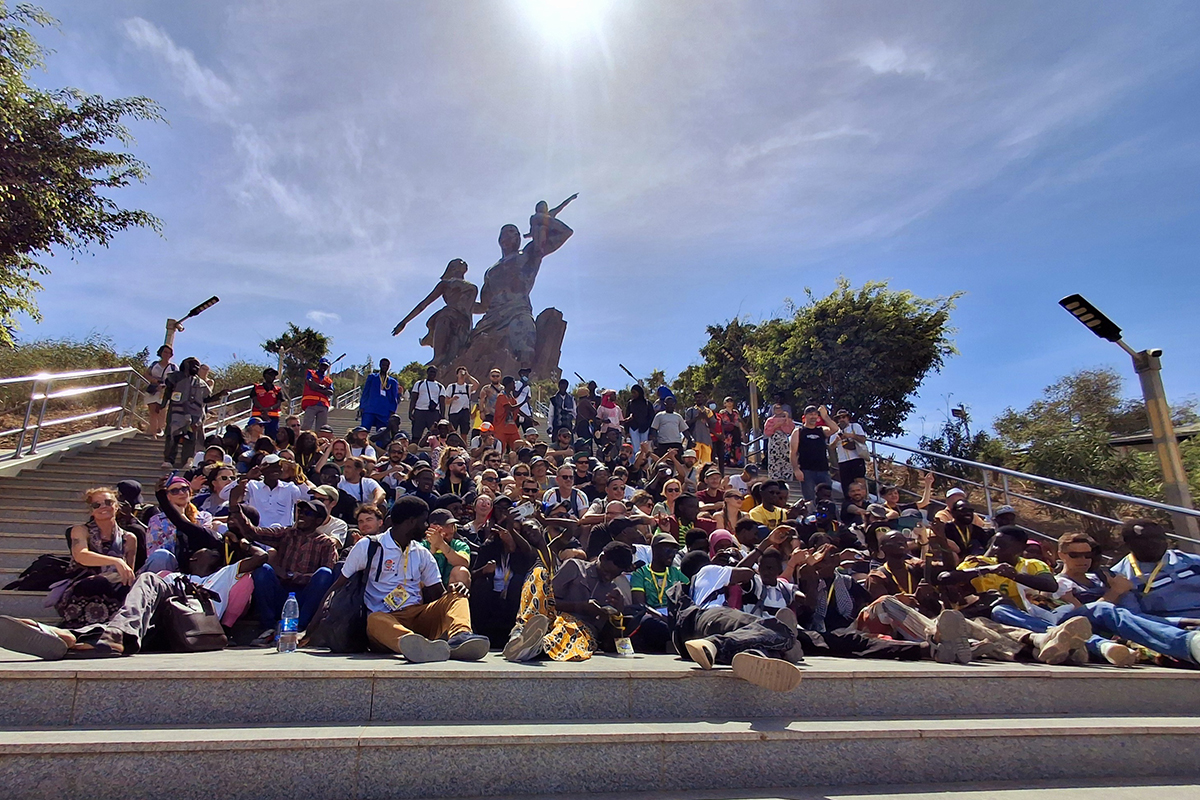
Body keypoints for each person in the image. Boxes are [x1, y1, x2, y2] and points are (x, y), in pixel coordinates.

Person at [0, 543, 269, 659]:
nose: (215, 553)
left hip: (194, 622)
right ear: (193, 558)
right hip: (158, 628)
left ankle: (92, 634)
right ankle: (69, 637)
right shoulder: (171, 575)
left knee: (149, 580)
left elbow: (262, 556)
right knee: (150, 585)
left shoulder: (223, 574)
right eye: (208, 551)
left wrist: (241, 541)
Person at [330, 496, 490, 662]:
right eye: (424, 521)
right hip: (386, 620)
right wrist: (316, 627)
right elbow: (338, 585)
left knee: (458, 595)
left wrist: (452, 594)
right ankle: (414, 645)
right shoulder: (368, 546)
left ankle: (460, 638)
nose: (426, 526)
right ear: (411, 522)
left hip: (417, 615)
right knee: (374, 620)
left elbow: (438, 594)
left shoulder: (422, 552)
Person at [229, 479, 338, 642]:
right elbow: (253, 533)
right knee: (263, 570)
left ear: (318, 521)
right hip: (281, 591)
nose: (301, 515)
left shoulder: (326, 543)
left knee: (324, 573)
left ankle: (300, 627)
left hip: (305, 596)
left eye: (308, 514)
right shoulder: (286, 533)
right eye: (300, 511)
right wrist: (235, 507)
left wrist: (294, 576)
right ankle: (268, 627)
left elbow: (326, 577)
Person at [52, 487, 140, 628]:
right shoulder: (81, 530)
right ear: (91, 510)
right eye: (96, 505)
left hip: (114, 588)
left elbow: (128, 573)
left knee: (126, 587)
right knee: (98, 582)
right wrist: (116, 561)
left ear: (117, 506)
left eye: (108, 502)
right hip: (84, 585)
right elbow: (81, 555)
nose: (103, 507)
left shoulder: (129, 538)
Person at [392, 258, 478, 368]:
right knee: (441, 357)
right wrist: (404, 322)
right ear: (452, 268)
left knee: (455, 356)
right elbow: (424, 304)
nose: (464, 262)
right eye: (460, 262)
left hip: (465, 322)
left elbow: (476, 307)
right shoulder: (446, 284)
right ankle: (437, 356)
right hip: (449, 316)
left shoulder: (472, 286)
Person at [628, 532, 689, 652]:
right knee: (648, 622)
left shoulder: (676, 573)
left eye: (674, 550)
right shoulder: (641, 574)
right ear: (654, 549)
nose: (672, 554)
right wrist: (662, 617)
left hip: (674, 616)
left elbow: (689, 595)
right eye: (667, 550)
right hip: (654, 615)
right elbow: (640, 605)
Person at [162, 357, 218, 469]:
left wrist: (220, 395)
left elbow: (206, 399)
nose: (195, 367)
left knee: (190, 437)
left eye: (197, 365)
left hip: (194, 415)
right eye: (192, 364)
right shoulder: (174, 377)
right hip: (176, 413)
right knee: (172, 436)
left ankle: (187, 460)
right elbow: (168, 392)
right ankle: (168, 460)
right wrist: (162, 405)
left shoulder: (201, 383)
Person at [242, 454, 309, 528]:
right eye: (272, 467)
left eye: (278, 467)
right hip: (258, 532)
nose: (276, 470)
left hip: (283, 533)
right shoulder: (252, 486)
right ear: (262, 470)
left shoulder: (290, 487)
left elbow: (308, 497)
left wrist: (297, 477)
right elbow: (232, 495)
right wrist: (246, 477)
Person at [790, 404, 836, 501]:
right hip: (806, 470)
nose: (813, 416)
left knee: (827, 499)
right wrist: (796, 469)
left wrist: (825, 416)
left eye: (815, 414)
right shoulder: (798, 431)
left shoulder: (821, 430)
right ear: (805, 416)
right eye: (811, 414)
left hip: (823, 470)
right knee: (809, 499)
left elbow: (835, 429)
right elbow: (793, 452)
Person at [829, 409, 867, 490]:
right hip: (843, 461)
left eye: (844, 417)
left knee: (860, 482)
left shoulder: (855, 426)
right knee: (846, 485)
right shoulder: (835, 431)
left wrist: (851, 436)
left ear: (848, 418)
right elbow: (831, 447)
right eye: (839, 418)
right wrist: (837, 440)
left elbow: (863, 439)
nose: (841, 419)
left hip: (856, 458)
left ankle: (864, 497)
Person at [360, 359, 401, 433]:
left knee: (382, 433)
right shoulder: (372, 377)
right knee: (364, 430)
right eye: (383, 365)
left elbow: (394, 398)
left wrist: (392, 411)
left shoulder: (393, 382)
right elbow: (365, 393)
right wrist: (362, 406)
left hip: (384, 411)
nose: (385, 367)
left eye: (387, 365)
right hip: (370, 409)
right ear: (380, 365)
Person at [144, 344, 176, 438]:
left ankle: (159, 429)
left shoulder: (173, 367)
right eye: (165, 352)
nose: (166, 354)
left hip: (165, 391)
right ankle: (153, 433)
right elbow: (146, 374)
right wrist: (154, 380)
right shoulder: (154, 364)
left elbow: (176, 379)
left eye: (169, 353)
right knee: (153, 412)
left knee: (162, 411)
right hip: (153, 389)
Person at [409, 365, 446, 447]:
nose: (432, 374)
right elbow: (414, 398)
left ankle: (435, 451)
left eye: (434, 372)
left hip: (433, 413)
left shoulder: (440, 386)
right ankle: (413, 450)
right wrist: (410, 411)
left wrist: (442, 416)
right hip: (420, 411)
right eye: (431, 372)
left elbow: (442, 402)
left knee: (435, 435)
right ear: (427, 372)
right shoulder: (419, 384)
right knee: (416, 434)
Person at [763, 404, 795, 482]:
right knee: (774, 460)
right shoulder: (770, 420)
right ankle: (775, 477)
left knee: (786, 459)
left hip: (784, 441)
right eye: (776, 408)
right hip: (774, 441)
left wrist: (786, 418)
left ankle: (786, 477)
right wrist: (776, 426)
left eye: (779, 408)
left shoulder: (786, 419)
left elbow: (790, 430)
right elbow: (767, 432)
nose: (778, 410)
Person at [300, 357, 334, 431]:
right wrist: (323, 388)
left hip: (323, 405)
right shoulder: (311, 373)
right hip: (310, 403)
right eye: (322, 365)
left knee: (322, 429)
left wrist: (316, 388)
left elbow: (330, 392)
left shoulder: (328, 380)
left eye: (325, 366)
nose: (323, 367)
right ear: (319, 365)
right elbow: (310, 384)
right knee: (306, 426)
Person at [445, 366, 479, 438]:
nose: (462, 374)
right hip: (454, 412)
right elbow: (446, 401)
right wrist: (452, 399)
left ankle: (464, 444)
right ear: (457, 374)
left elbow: (476, 385)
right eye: (460, 372)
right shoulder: (452, 387)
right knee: (452, 432)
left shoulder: (468, 387)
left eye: (463, 372)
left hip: (465, 412)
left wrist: (468, 376)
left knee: (464, 433)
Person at [250, 368, 285, 438]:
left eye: (274, 375)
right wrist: (263, 410)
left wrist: (268, 409)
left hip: (273, 418)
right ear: (265, 376)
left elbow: (278, 403)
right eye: (270, 375)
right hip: (257, 416)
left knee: (272, 437)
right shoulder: (256, 388)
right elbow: (255, 400)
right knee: (254, 436)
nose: (272, 377)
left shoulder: (278, 390)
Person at [684, 392, 716, 466]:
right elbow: (686, 425)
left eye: (700, 397)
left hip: (706, 441)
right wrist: (697, 418)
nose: (698, 399)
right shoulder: (690, 411)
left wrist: (706, 417)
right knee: (694, 464)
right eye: (697, 398)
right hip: (695, 440)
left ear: (703, 398)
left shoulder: (708, 411)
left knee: (706, 464)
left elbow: (713, 425)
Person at [493, 376, 522, 452]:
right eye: (513, 383)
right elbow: (510, 408)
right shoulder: (501, 396)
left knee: (519, 448)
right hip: (501, 428)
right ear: (508, 384)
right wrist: (524, 401)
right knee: (500, 450)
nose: (514, 385)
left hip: (512, 428)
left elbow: (517, 410)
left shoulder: (511, 398)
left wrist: (530, 419)